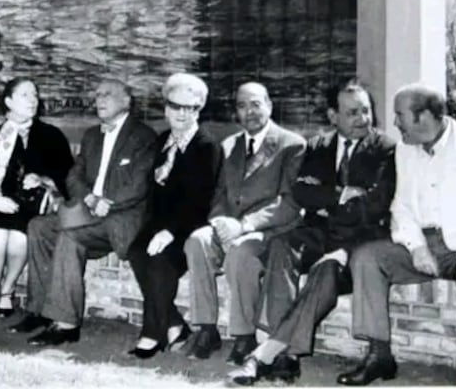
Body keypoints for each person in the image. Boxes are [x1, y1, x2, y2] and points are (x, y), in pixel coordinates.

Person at [336, 84, 456, 386]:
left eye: (400, 115)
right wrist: (416, 246)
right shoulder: (405, 149)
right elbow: (402, 205)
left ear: (424, 117)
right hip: (420, 243)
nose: (395, 123)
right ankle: (379, 356)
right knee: (366, 257)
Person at [230, 78, 396, 385]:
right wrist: (341, 195)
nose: (363, 118)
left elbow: (374, 206)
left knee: (326, 269)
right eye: (352, 112)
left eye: (366, 110)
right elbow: (301, 192)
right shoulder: (318, 146)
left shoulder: (384, 149)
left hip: (357, 241)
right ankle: (283, 354)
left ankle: (273, 354)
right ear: (333, 116)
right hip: (318, 234)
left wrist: (326, 204)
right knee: (282, 246)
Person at [14, 80, 157, 345]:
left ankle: (66, 324)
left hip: (119, 218)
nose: (100, 99)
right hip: (88, 210)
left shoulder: (144, 137)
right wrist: (90, 198)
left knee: (70, 237)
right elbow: (73, 177)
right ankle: (40, 311)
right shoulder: (92, 135)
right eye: (98, 94)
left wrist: (108, 203)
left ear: (126, 102)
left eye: (108, 94)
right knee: (39, 227)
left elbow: (139, 185)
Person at [182, 82, 306, 363]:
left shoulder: (292, 145)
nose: (249, 112)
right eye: (241, 106)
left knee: (240, 252)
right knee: (197, 241)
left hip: (269, 232)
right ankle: (206, 329)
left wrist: (245, 225)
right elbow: (219, 195)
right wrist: (220, 222)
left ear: (269, 106)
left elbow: (290, 203)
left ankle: (244, 335)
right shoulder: (230, 145)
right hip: (232, 226)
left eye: (255, 104)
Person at [125, 74, 222, 358]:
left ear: (198, 110)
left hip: (190, 227)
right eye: (176, 106)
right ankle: (175, 324)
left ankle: (152, 333)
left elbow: (200, 201)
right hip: (160, 224)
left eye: (190, 108)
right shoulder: (162, 141)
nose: (182, 113)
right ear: (166, 108)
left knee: (160, 261)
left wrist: (170, 232)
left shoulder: (207, 146)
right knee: (136, 252)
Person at [0, 78, 73, 322]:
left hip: (30, 206)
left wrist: (43, 179)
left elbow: (68, 174)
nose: (33, 100)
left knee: (19, 237)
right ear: (9, 101)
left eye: (35, 95)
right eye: (25, 95)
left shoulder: (51, 135)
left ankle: (7, 290)